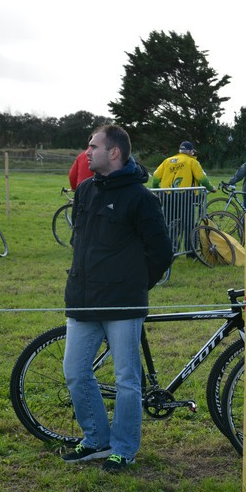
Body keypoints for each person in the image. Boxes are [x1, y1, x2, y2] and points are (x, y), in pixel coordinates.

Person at [62, 124, 173, 473]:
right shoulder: (84, 191)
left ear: (114, 152)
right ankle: (96, 439)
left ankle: (123, 448)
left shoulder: (141, 198)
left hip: (123, 303)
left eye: (92, 146)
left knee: (127, 379)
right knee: (75, 372)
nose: (86, 152)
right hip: (83, 299)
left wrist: (135, 285)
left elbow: (161, 253)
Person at [153, 141, 216, 253]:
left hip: (167, 196)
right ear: (190, 151)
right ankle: (190, 251)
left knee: (168, 225)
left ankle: (169, 249)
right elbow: (202, 179)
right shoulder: (192, 162)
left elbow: (156, 177)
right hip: (185, 196)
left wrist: (156, 190)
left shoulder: (167, 161)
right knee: (189, 225)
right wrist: (211, 188)